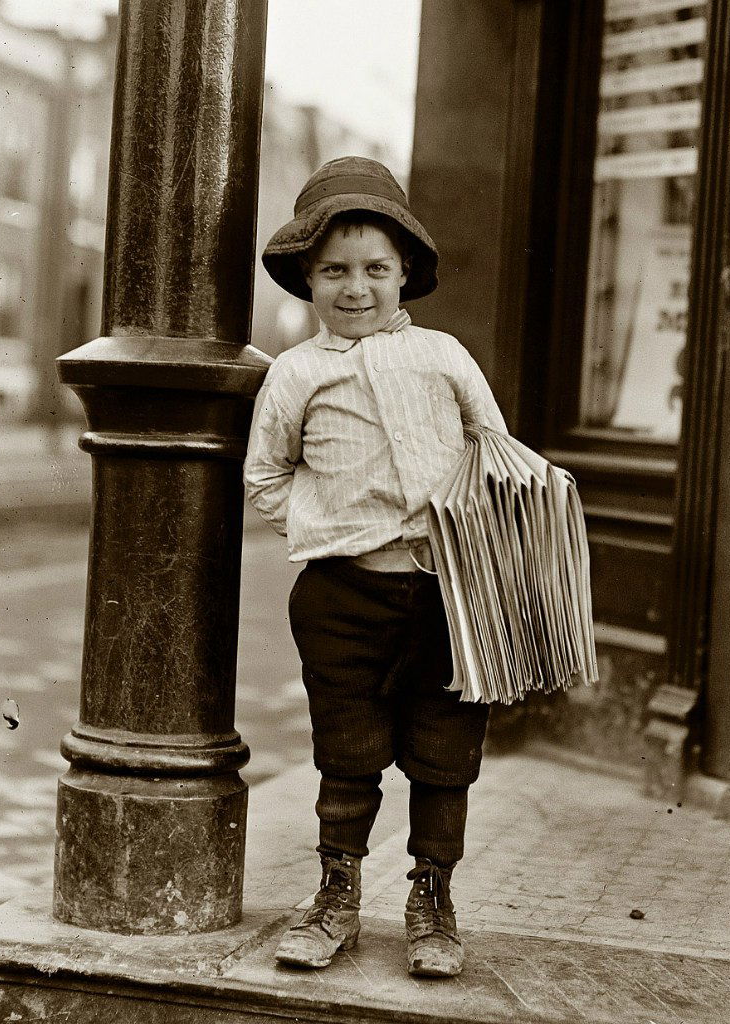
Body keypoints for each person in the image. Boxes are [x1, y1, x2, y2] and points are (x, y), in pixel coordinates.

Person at [244, 156, 507, 978]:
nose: (355, 288)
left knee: (443, 755)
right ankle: (336, 896)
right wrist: (327, 524)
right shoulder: (294, 374)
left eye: (375, 270)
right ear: (307, 279)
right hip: (341, 595)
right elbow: (266, 475)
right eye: (334, 271)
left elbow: (494, 453)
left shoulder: (443, 356)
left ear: (404, 275)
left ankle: (432, 902)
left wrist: (474, 531)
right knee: (347, 752)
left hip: (447, 595)